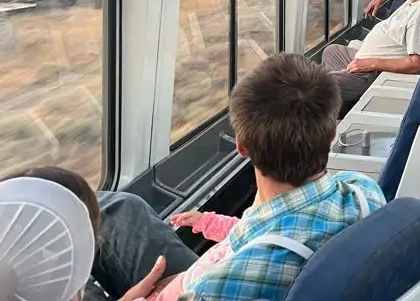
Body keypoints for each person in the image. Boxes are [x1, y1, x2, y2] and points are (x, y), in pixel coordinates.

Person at [6, 55, 385, 301]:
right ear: (332, 131)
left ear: (241, 147)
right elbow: (265, 232)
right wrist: (210, 225)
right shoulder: (365, 193)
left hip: (187, 283)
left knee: (100, 222)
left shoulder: (215, 289)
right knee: (121, 207)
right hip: (220, 263)